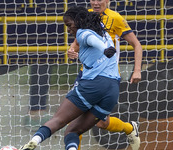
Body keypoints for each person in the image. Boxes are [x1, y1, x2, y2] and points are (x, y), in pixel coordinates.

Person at [19, 6, 122, 150]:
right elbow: (95, 42)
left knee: (58, 120)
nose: (68, 30)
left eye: (69, 25)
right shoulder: (104, 33)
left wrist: (104, 49)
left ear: (79, 21)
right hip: (112, 90)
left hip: (94, 85)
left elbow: (91, 39)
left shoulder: (83, 32)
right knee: (72, 131)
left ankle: (33, 142)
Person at [67, 0, 142, 150]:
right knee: (73, 118)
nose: (95, 3)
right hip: (86, 76)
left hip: (108, 78)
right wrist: (71, 51)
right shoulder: (84, 17)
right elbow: (76, 44)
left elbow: (136, 44)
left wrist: (137, 70)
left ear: (107, 1)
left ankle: (129, 129)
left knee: (103, 123)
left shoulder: (115, 18)